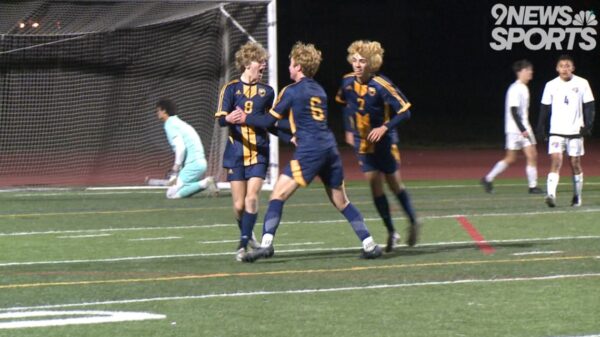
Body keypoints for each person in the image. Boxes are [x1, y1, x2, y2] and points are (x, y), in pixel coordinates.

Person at [229, 41, 383, 262]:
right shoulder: (319, 90)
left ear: (298, 66)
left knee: (277, 196)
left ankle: (266, 245)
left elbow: (267, 120)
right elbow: (300, 121)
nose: (289, 67)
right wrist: (291, 133)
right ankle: (369, 244)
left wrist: (245, 117)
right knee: (342, 202)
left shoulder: (291, 91)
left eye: (291, 64)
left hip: (310, 150)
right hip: (330, 148)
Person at [335, 40, 419, 252]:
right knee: (375, 186)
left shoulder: (382, 85)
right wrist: (347, 128)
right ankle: (391, 231)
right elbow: (344, 104)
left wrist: (385, 127)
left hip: (385, 144)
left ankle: (413, 221)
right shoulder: (346, 82)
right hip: (363, 144)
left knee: (394, 185)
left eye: (362, 61)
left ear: (371, 63)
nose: (357, 64)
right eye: (354, 60)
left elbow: (406, 111)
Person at [215, 41, 275, 261]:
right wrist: (228, 118)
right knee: (239, 205)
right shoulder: (230, 89)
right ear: (248, 63)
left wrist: (291, 135)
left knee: (251, 199)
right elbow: (221, 119)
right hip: (236, 154)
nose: (264, 66)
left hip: (259, 153)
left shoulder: (267, 92)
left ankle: (242, 245)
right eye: (261, 62)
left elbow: (270, 121)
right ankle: (247, 235)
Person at [537, 55, 595, 207]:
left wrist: (588, 125)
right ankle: (551, 194)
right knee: (556, 160)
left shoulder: (582, 83)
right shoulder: (550, 85)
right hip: (556, 130)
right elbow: (544, 108)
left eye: (568, 65)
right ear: (557, 68)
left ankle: (577, 196)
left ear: (573, 68)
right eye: (562, 66)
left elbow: (589, 105)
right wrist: (540, 127)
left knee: (575, 163)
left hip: (575, 131)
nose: (565, 68)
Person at [481, 60, 543, 194]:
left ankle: (532, 186)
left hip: (519, 128)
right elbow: (513, 111)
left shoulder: (523, 88)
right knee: (515, 157)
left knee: (528, 155)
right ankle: (488, 178)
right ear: (520, 72)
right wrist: (523, 130)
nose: (531, 72)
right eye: (528, 70)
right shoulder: (516, 88)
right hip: (517, 130)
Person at [155, 99, 218, 199]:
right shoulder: (178, 122)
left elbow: (181, 148)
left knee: (171, 194)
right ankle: (205, 183)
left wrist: (175, 168)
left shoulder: (170, 124)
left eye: (158, 110)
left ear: (164, 111)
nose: (157, 113)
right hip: (199, 163)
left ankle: (206, 182)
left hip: (193, 165)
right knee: (182, 188)